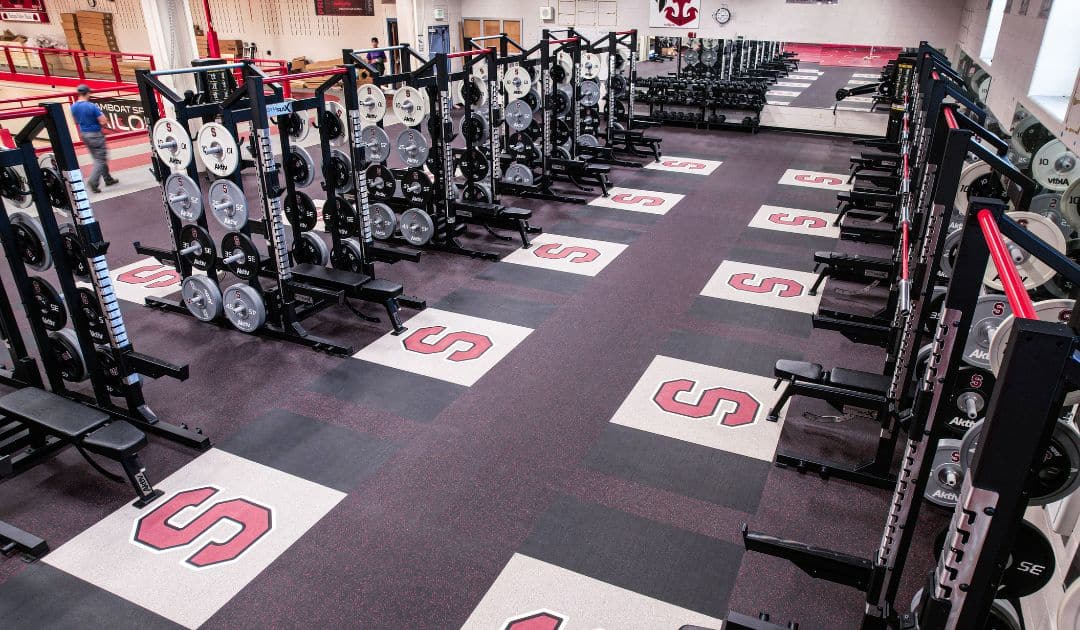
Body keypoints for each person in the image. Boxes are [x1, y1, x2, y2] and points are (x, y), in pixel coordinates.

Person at [70, 84, 117, 193]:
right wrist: (99, 124)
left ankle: (108, 179)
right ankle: (93, 181)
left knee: (97, 157)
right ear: (87, 93)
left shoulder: (73, 107)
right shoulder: (91, 106)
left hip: (85, 134)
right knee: (100, 159)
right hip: (95, 134)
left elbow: (75, 121)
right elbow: (103, 121)